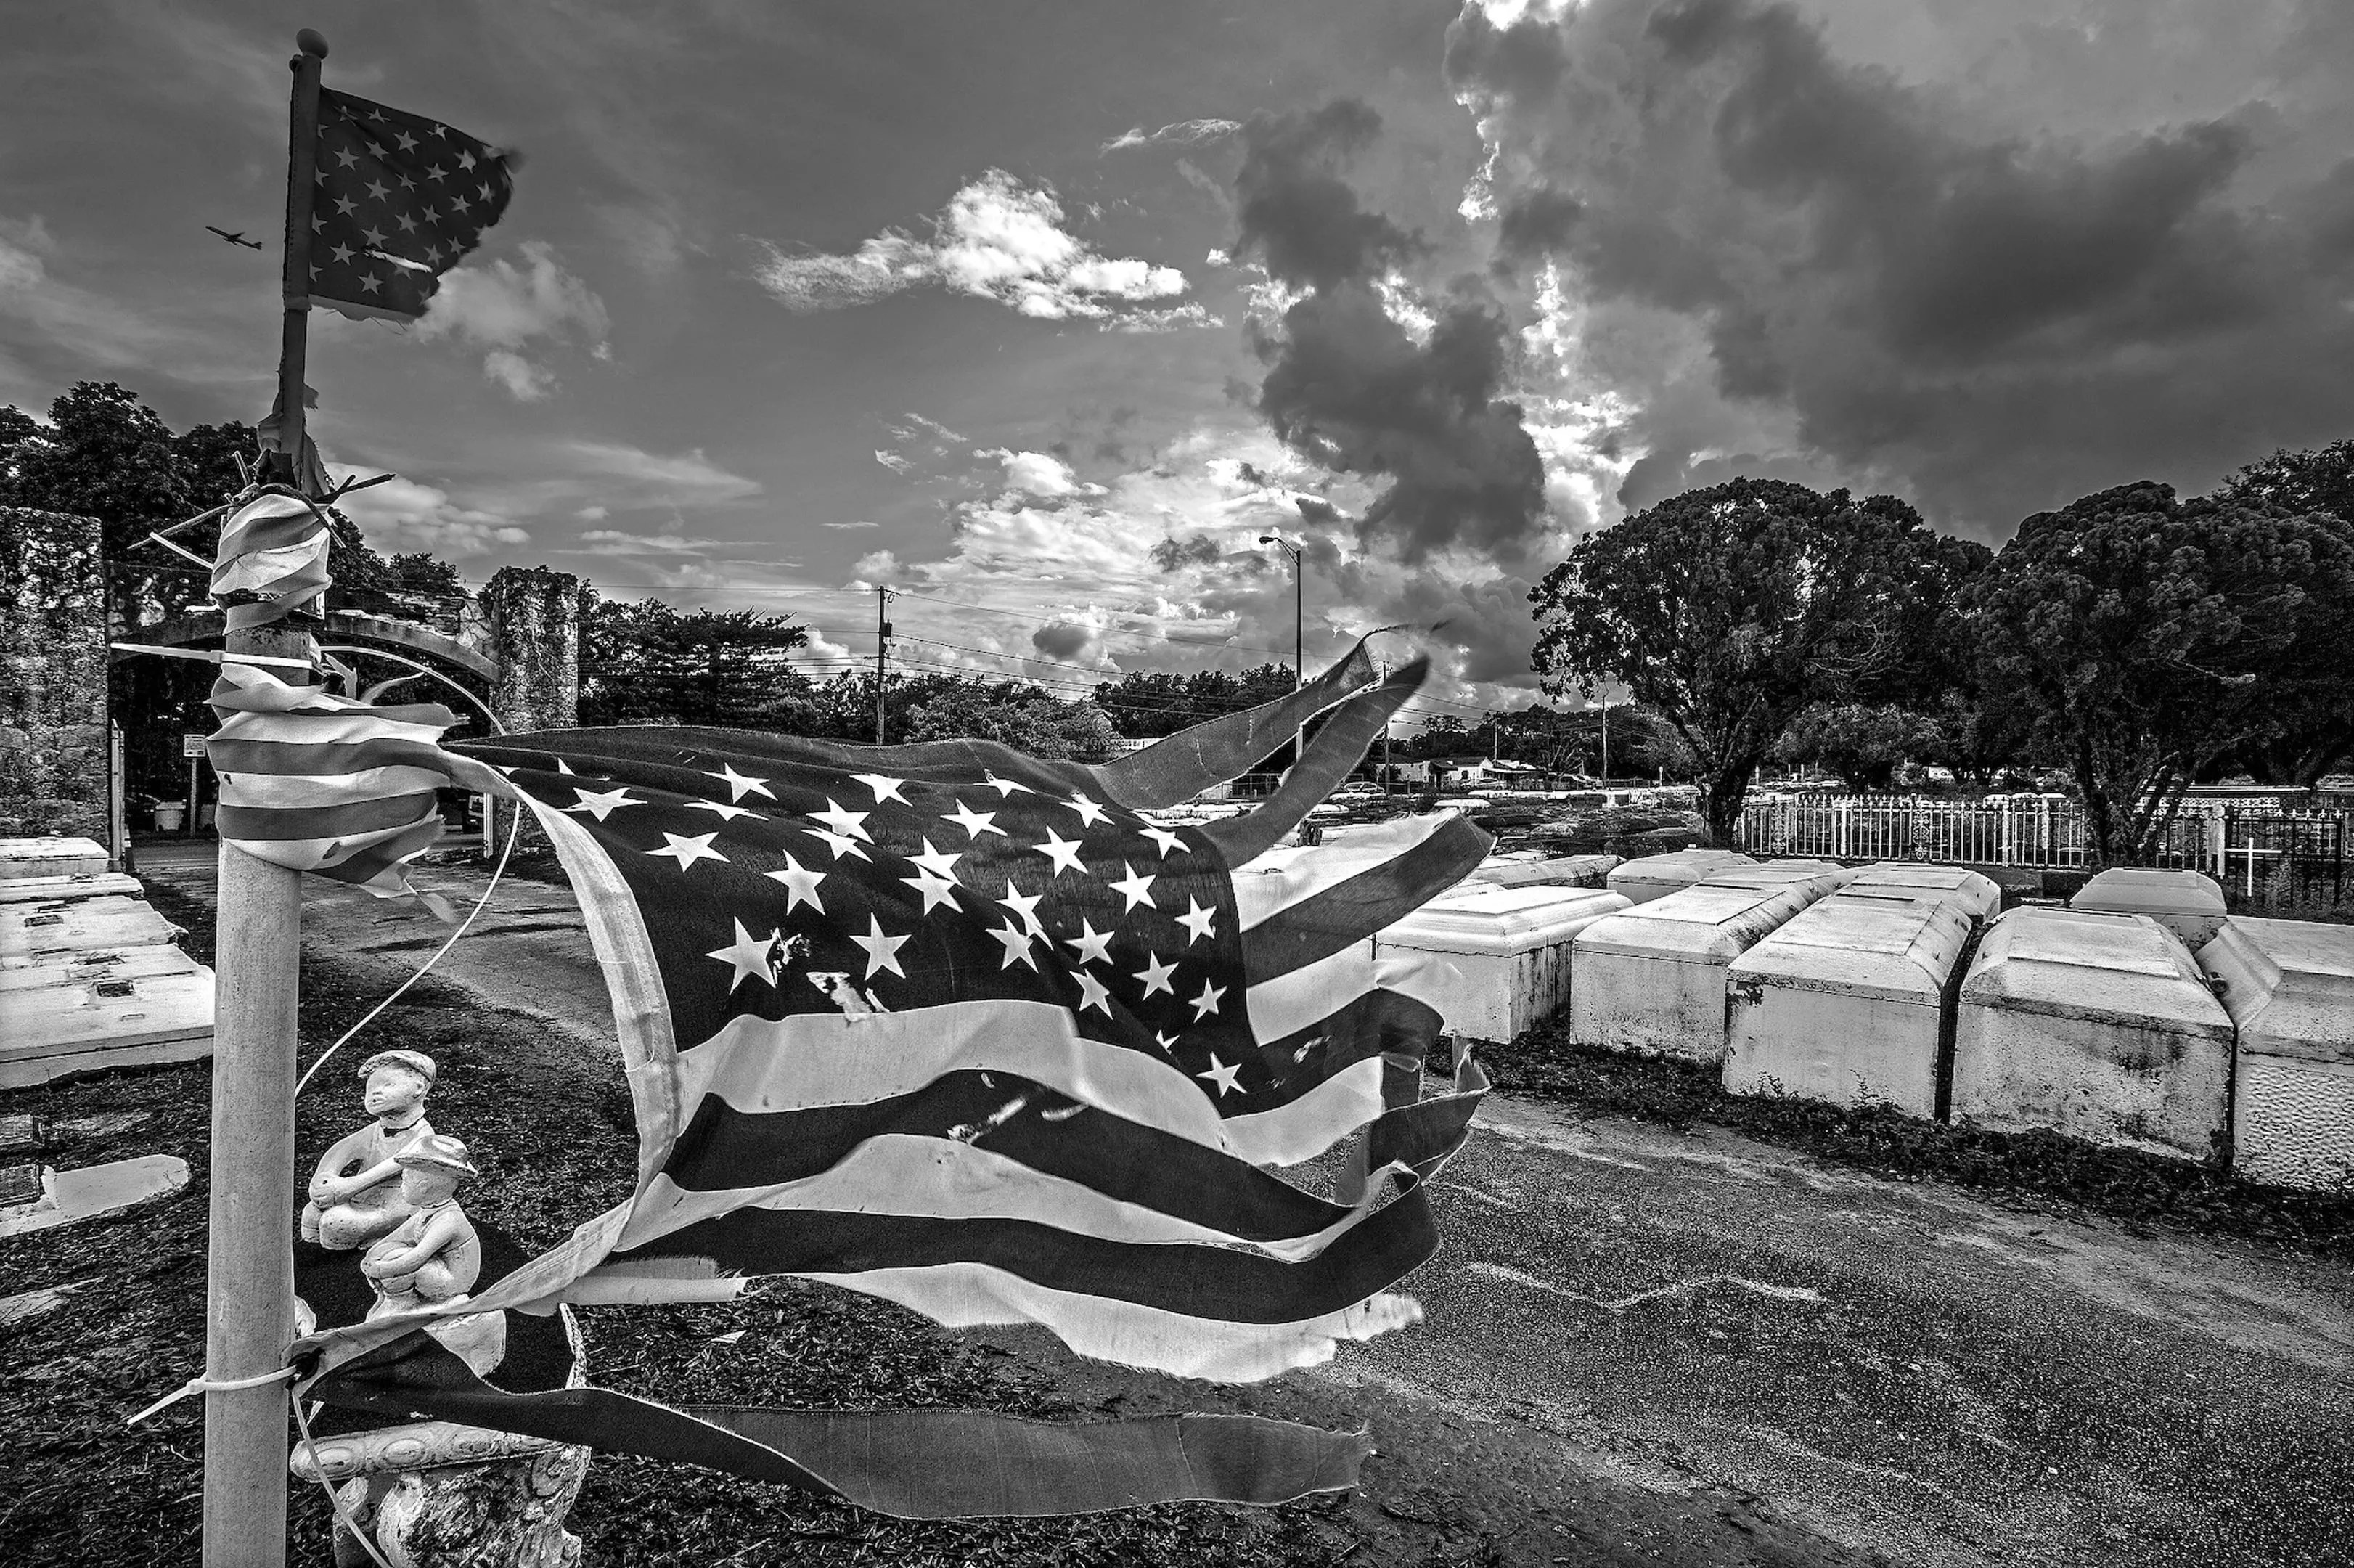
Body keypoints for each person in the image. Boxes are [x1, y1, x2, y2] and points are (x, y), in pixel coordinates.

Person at [300, 1050, 437, 1249]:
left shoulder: (423, 1136)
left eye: (387, 1085)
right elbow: (340, 1151)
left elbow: (393, 1165)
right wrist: (322, 1180)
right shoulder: (374, 1131)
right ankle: (314, 1259)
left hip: (396, 1205)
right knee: (311, 1215)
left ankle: (382, 1244)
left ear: (419, 1088)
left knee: (336, 1224)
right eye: (370, 1088)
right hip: (362, 1198)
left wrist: (346, 1188)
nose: (375, 1093)